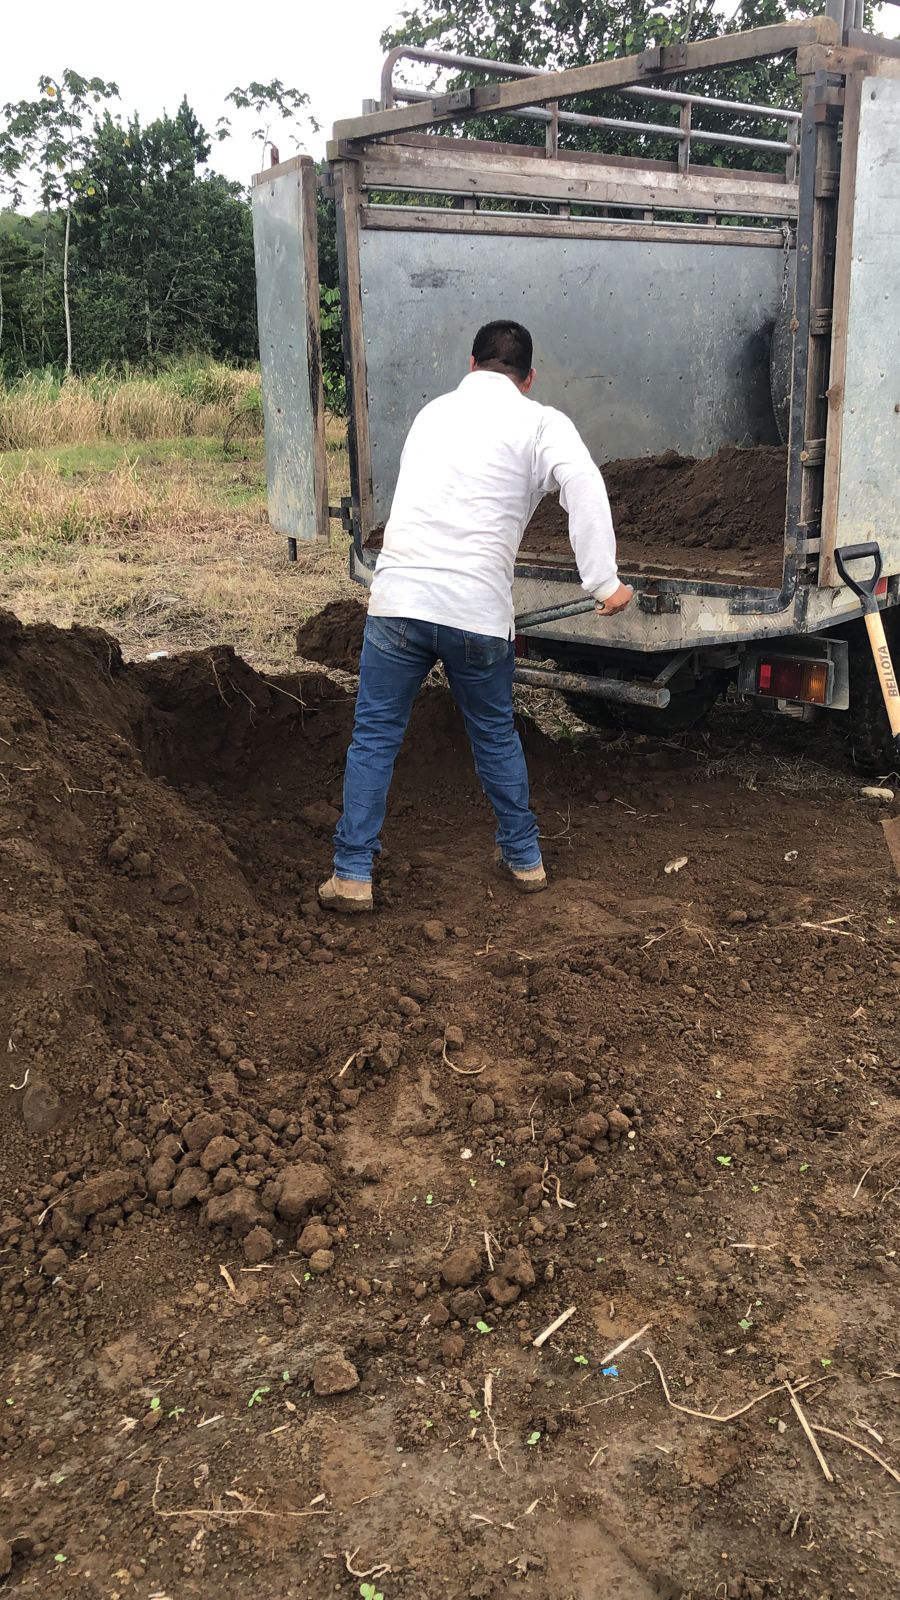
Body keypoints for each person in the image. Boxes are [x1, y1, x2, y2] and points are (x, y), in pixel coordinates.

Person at [319, 319, 633, 913]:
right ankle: (524, 859)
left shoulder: (432, 414)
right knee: (493, 735)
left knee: (375, 737)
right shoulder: (541, 423)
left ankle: (352, 874)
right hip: (477, 612)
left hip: (399, 602)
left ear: (471, 365)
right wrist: (603, 582)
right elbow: (584, 484)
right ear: (529, 377)